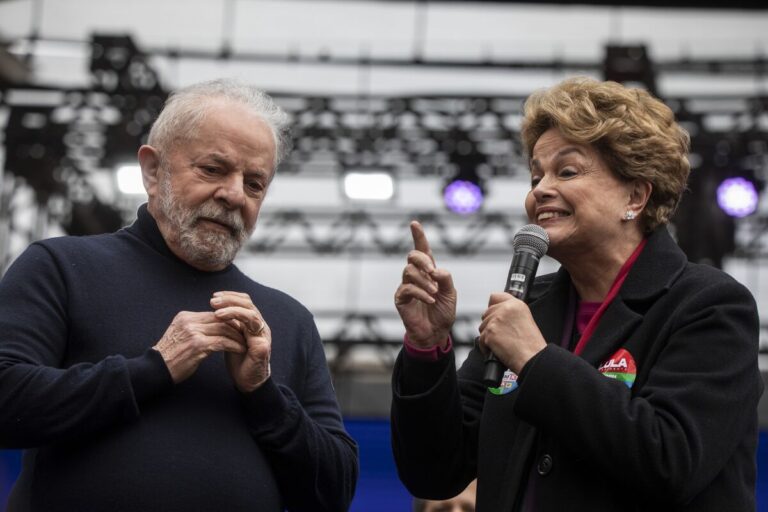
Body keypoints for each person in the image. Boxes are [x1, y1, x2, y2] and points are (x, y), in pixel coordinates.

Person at [390, 77, 763, 511]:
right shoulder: (530, 307)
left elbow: (669, 460)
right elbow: (433, 471)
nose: (540, 189)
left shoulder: (708, 305)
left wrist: (536, 360)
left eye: (567, 171)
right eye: (536, 175)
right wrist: (426, 348)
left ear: (636, 195)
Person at [0, 79, 358, 512]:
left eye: (254, 183)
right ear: (153, 171)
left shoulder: (288, 320)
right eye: (213, 169)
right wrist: (154, 369)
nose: (233, 195)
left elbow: (335, 491)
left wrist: (264, 396)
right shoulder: (61, 267)